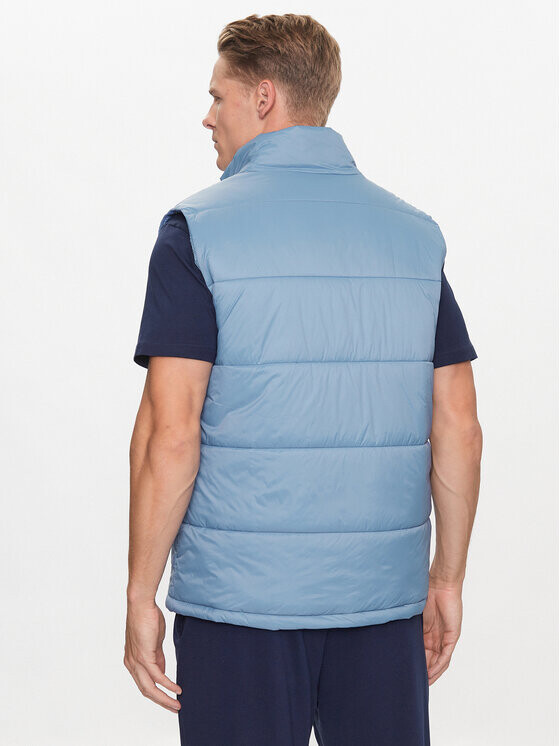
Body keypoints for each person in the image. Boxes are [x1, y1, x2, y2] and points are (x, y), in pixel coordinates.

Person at [124, 13, 482, 746]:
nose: (207, 116)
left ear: (263, 97)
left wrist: (139, 591)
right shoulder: (414, 236)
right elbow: (458, 427)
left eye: (217, 96)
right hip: (381, 605)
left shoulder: (197, 232)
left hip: (238, 610)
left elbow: (170, 432)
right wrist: (445, 579)